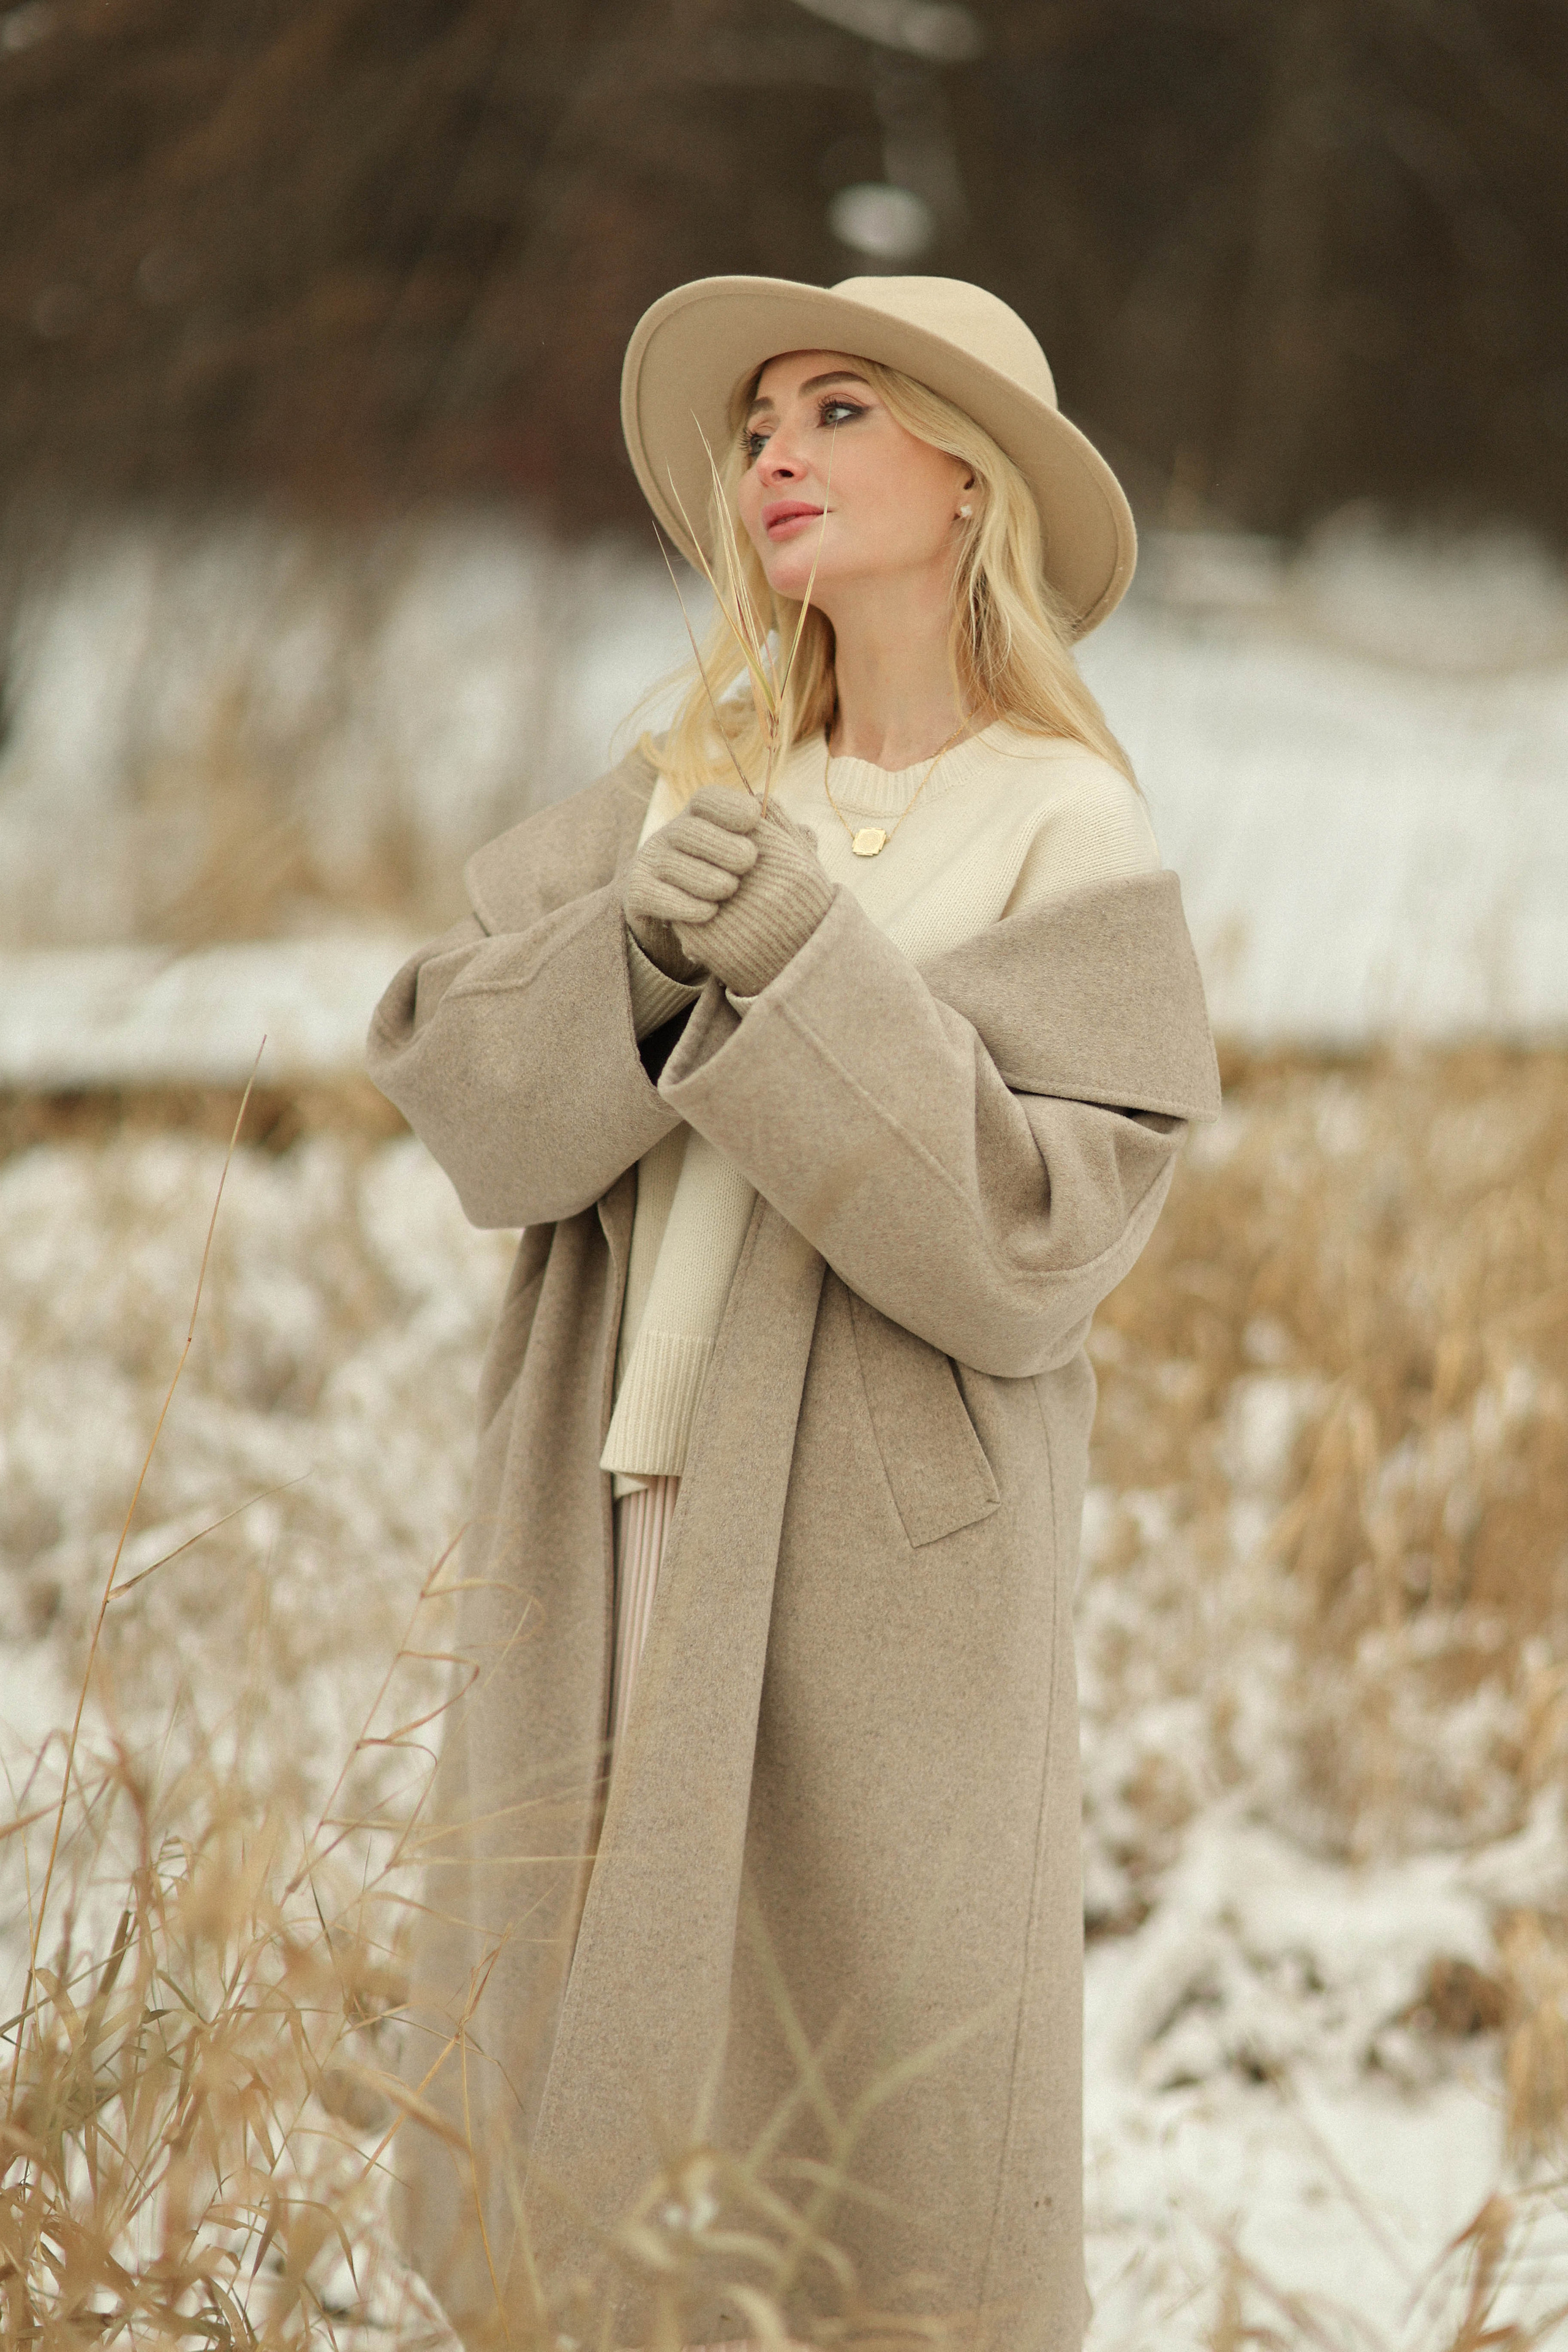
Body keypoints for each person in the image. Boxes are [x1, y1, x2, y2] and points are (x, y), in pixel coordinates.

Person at [367, 273, 1219, 2352]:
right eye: (759, 425)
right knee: (593, 2047)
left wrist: (797, 958)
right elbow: (464, 1095)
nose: (776, 458)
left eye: (840, 412)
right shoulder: (683, 783)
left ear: (967, 478)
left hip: (877, 1566)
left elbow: (1026, 1242)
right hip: (612, 1517)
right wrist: (640, 971)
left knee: (860, 2109)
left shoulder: (1064, 825)